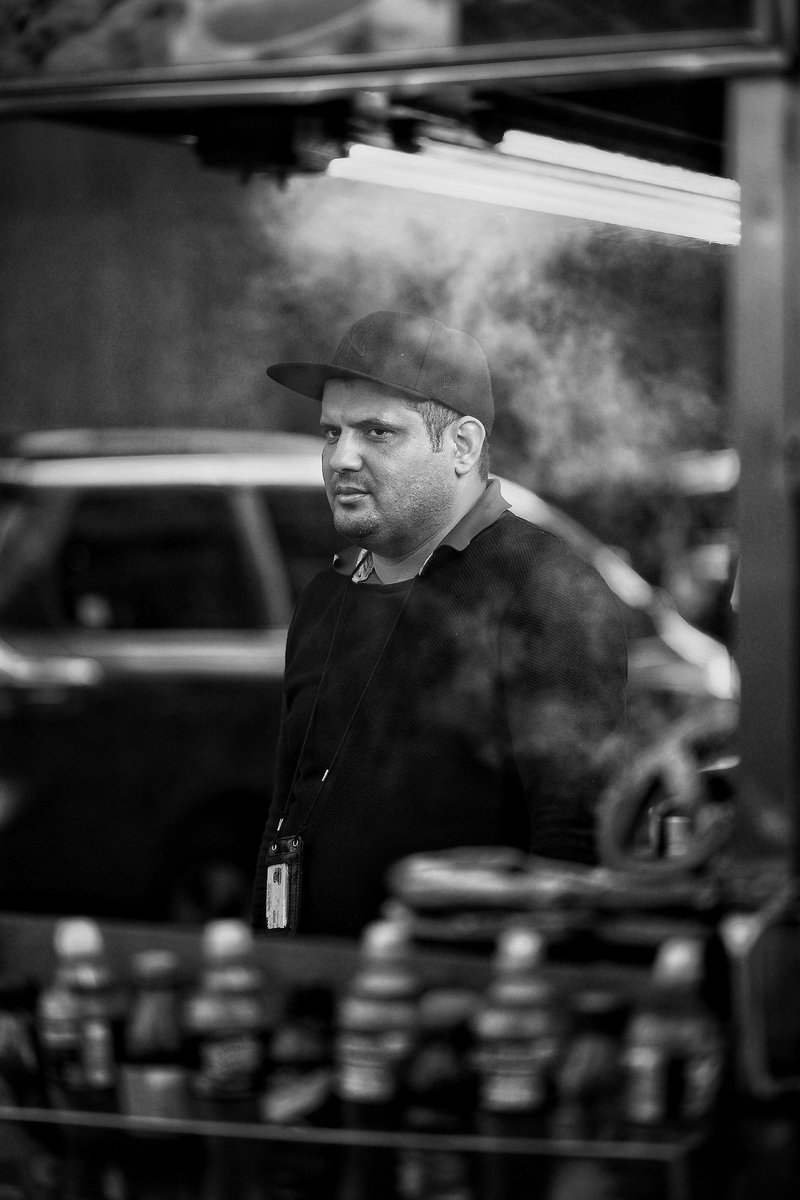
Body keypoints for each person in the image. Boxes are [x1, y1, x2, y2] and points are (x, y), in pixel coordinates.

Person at [252, 310, 627, 938]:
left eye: (376, 432)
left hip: (461, 998)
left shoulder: (544, 590)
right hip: (321, 990)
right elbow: (284, 812)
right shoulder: (326, 597)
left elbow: (571, 840)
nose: (341, 457)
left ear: (462, 446)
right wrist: (269, 956)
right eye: (330, 433)